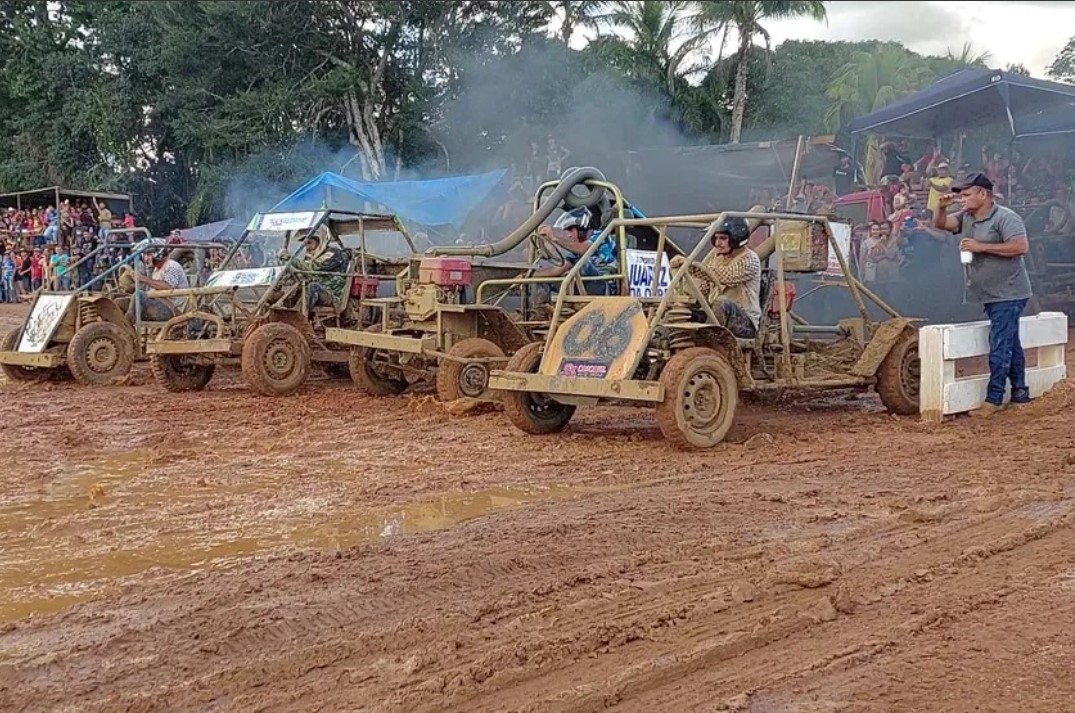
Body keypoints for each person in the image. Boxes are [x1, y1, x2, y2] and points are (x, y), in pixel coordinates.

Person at [934, 171, 1032, 417]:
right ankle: (1020, 392)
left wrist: (981, 247)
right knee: (1010, 342)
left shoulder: (1006, 217)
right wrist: (941, 208)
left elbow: (1020, 247)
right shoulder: (966, 216)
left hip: (1009, 292)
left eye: (967, 194)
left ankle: (994, 398)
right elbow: (941, 225)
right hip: (989, 292)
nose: (963, 199)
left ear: (983, 194)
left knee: (999, 344)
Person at [671, 217, 761, 339]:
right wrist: (684, 301)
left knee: (721, 302)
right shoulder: (716, 258)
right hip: (716, 317)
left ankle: (707, 343)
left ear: (736, 238)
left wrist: (689, 266)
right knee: (678, 309)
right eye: (716, 238)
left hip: (744, 322)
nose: (718, 243)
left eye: (723, 238)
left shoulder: (750, 259)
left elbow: (726, 275)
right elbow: (703, 289)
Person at [533, 207, 618, 294]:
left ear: (581, 228)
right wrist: (529, 276)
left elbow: (584, 250)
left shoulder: (599, 236)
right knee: (545, 281)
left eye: (570, 230)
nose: (569, 235)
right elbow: (557, 270)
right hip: (588, 286)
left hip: (605, 286)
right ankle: (540, 306)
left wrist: (554, 238)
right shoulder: (577, 251)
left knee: (580, 265)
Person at [280, 230, 348, 311]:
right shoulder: (311, 255)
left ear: (320, 241)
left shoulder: (333, 254)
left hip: (332, 294)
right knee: (292, 287)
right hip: (318, 290)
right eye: (305, 244)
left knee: (313, 287)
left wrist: (290, 258)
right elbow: (305, 272)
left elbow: (313, 267)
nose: (307, 247)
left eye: (309, 243)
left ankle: (298, 315)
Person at [126, 238, 189, 322]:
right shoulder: (156, 270)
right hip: (160, 304)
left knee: (138, 295)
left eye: (148, 254)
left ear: (158, 254)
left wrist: (144, 279)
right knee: (121, 302)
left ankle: (126, 325)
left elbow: (167, 287)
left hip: (172, 310)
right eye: (144, 255)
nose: (145, 258)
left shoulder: (172, 266)